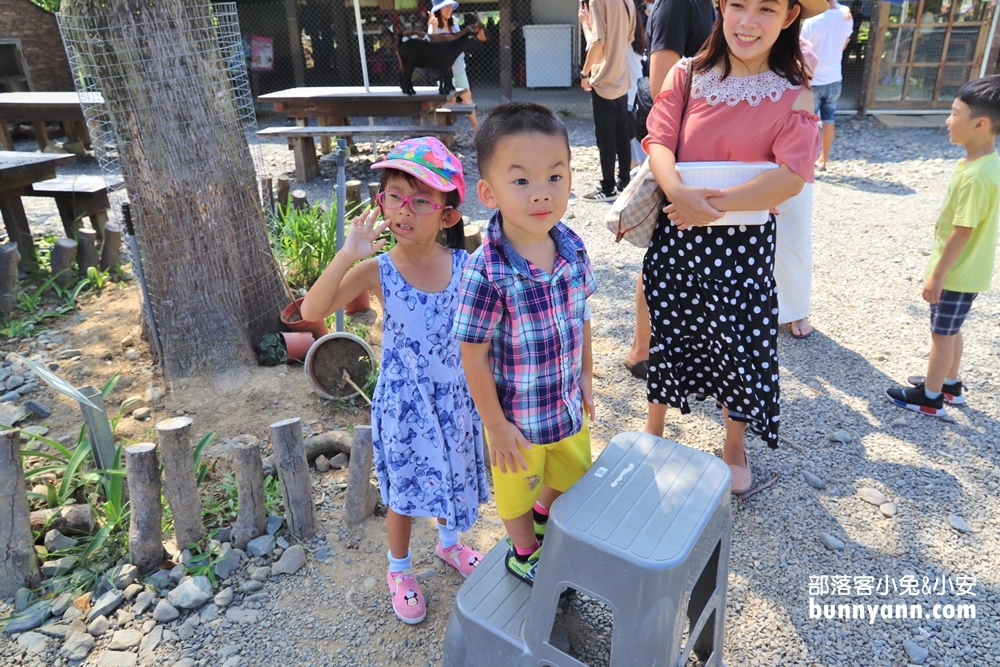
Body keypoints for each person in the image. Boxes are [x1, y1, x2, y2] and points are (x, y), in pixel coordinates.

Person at [300, 137, 489, 624]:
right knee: (404, 490)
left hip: (455, 398)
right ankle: (399, 568)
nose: (404, 211)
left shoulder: (467, 267)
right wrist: (347, 254)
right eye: (393, 196)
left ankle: (449, 544)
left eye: (420, 200)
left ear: (447, 214)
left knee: (448, 471)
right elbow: (312, 310)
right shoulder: (376, 270)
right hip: (405, 403)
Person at [641, 0, 823, 493]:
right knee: (670, 330)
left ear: (789, 17)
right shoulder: (688, 74)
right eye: (737, 4)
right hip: (678, 233)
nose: (747, 20)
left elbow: (790, 178)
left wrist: (709, 208)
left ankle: (734, 446)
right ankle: (652, 431)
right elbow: (659, 138)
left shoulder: (794, 95)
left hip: (742, 245)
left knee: (737, 344)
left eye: (765, 8)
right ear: (721, 8)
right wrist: (677, 192)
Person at [454, 102, 598, 585]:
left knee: (571, 474)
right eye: (521, 182)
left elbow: (583, 318)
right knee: (514, 496)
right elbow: (472, 352)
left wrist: (585, 377)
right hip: (516, 421)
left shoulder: (573, 248)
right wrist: (494, 426)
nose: (542, 194)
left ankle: (545, 512)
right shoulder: (485, 270)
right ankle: (522, 550)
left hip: (564, 404)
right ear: (488, 192)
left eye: (555, 177)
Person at [886, 76, 1000, 417]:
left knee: (941, 335)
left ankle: (930, 396)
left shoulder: (976, 175)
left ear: (980, 124)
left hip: (956, 273)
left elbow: (962, 231)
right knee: (951, 329)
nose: (947, 121)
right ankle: (950, 383)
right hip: (969, 271)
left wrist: (936, 277)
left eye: (954, 113)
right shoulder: (986, 164)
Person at [624, 0, 715, 380]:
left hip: (698, 143)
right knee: (662, 253)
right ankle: (641, 349)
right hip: (675, 145)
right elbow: (664, 87)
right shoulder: (678, 4)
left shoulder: (710, 6)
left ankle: (675, 345)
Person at [775, 38, 821, 340]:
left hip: (795, 173)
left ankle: (797, 311)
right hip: (759, 169)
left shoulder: (799, 47)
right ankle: (766, 308)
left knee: (796, 244)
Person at [580, 0, 636, 201]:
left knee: (605, 138)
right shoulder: (627, 1)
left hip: (603, 78)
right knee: (622, 134)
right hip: (621, 75)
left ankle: (607, 188)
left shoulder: (597, 2)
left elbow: (597, 43)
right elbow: (629, 36)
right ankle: (624, 181)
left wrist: (584, 72)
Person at [801, 0, 853, 170]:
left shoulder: (813, 20)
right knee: (829, 119)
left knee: (809, 123)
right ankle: (824, 160)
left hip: (813, 80)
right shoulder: (846, 15)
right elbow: (845, 44)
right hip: (835, 78)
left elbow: (802, 50)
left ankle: (808, 160)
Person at [428, 0, 479, 131]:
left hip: (459, 68)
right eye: (446, 6)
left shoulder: (454, 21)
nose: (449, 9)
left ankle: (476, 129)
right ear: (438, 9)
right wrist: (433, 29)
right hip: (444, 72)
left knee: (467, 97)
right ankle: (447, 135)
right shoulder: (433, 26)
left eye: (450, 5)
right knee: (450, 102)